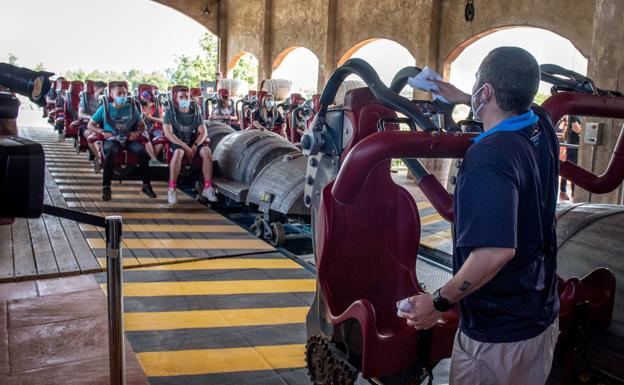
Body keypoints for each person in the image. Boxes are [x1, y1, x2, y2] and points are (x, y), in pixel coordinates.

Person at [398, 47, 559, 385]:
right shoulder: (541, 125)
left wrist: (437, 303)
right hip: (539, 318)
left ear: (484, 93)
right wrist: (461, 96)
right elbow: (516, 100)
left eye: (476, 85)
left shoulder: (488, 157)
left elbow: (494, 252)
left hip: (497, 339)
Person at [87, 81, 156, 201]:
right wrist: (101, 131)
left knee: (143, 153)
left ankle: (146, 185)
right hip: (113, 139)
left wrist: (137, 132)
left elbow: (142, 126)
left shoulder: (132, 108)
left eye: (124, 93)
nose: (122, 96)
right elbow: (90, 124)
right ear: (112, 95)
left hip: (129, 137)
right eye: (119, 93)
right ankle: (106, 187)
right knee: (111, 152)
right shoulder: (105, 108)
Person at [162, 86, 217, 204]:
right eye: (181, 97)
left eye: (186, 97)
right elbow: (168, 133)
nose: (184, 99)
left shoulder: (195, 111)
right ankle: (172, 188)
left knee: (207, 151)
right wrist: (185, 146)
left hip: (192, 141)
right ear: (176, 99)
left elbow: (204, 132)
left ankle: (207, 187)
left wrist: (195, 145)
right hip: (178, 141)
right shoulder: (170, 113)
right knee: (178, 152)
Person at [79, 81, 106, 160]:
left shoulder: (106, 101)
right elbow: (80, 114)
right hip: (87, 124)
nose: (103, 94)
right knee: (93, 134)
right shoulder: (86, 99)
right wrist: (91, 117)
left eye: (104, 92)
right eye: (101, 92)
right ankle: (99, 156)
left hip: (102, 125)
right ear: (95, 89)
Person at [139, 89, 164, 164]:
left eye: (145, 98)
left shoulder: (156, 106)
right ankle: (154, 159)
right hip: (144, 128)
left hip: (155, 128)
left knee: (161, 138)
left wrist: (152, 118)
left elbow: (163, 120)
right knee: (145, 137)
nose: (144, 100)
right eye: (142, 98)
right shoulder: (140, 107)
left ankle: (153, 159)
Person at [560, 115, 581, 201]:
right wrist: (582, 128)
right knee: (568, 167)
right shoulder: (573, 115)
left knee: (575, 169)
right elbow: (577, 130)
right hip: (573, 146)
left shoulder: (581, 116)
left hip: (578, 146)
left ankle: (574, 192)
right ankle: (563, 191)